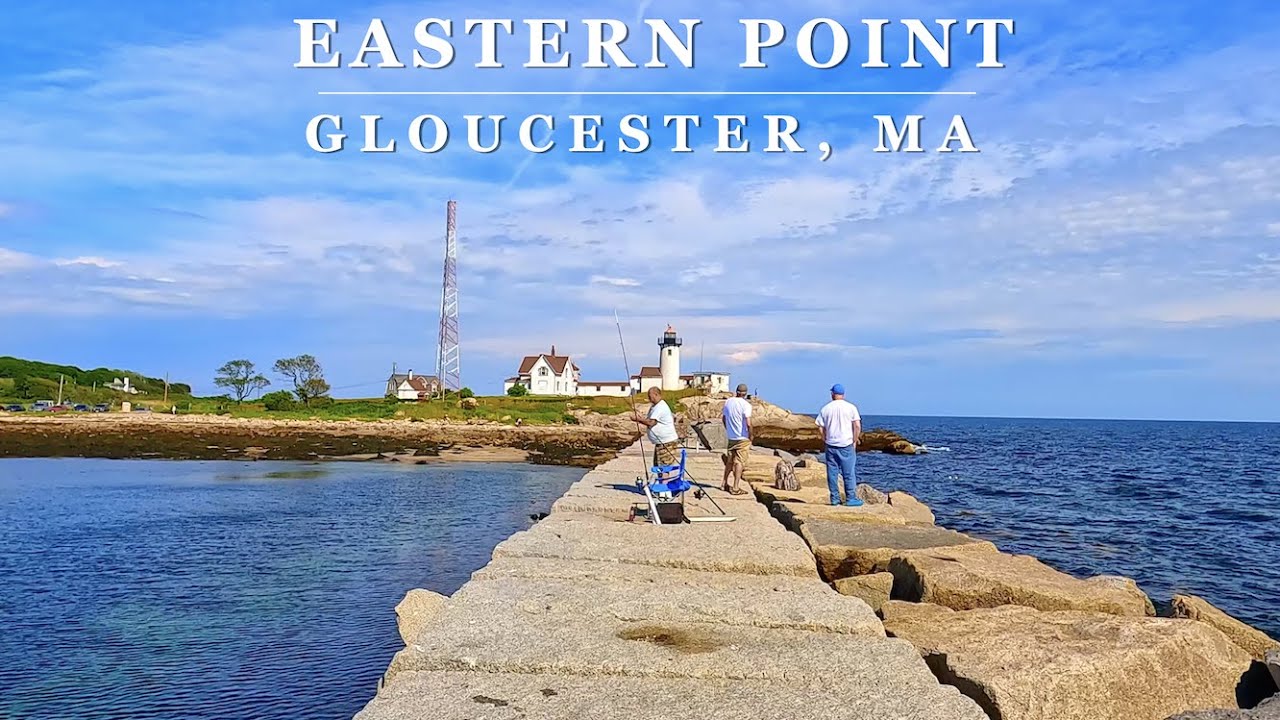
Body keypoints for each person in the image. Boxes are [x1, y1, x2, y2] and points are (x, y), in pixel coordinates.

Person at [815, 383, 862, 506]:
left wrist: (825, 438)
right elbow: (857, 426)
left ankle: (834, 498)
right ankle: (851, 498)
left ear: (832, 394)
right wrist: (854, 440)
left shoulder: (826, 408)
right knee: (849, 473)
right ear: (843, 394)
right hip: (846, 444)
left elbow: (820, 426)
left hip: (831, 445)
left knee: (832, 472)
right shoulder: (851, 407)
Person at [632, 387, 680, 468]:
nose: (649, 398)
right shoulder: (655, 406)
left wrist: (637, 419)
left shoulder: (660, 407)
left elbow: (651, 423)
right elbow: (649, 419)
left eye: (650, 396)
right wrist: (641, 418)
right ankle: (662, 480)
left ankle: (664, 481)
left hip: (666, 442)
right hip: (660, 442)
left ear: (656, 394)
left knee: (664, 467)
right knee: (658, 466)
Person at [721, 383, 753, 495]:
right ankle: (735, 487)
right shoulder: (746, 405)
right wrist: (751, 435)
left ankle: (724, 483)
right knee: (739, 462)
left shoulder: (728, 402)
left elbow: (724, 418)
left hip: (731, 437)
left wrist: (728, 430)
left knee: (729, 461)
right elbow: (748, 424)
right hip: (742, 438)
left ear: (736, 391)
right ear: (746, 393)